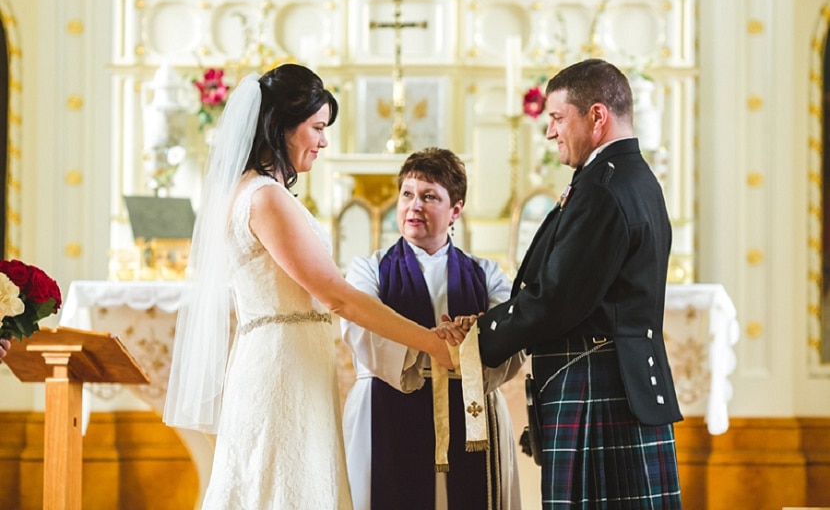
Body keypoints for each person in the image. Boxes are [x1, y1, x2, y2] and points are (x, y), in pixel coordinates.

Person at [163, 64, 461, 510]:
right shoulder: (264, 197)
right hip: (283, 368)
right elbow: (335, 294)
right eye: (317, 128)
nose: (323, 141)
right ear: (282, 126)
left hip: (290, 359)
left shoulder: (253, 191)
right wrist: (431, 344)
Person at [474, 59, 683, 508]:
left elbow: (555, 300)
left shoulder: (603, 188)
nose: (550, 133)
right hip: (616, 383)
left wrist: (480, 338)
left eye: (556, 118)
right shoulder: (636, 179)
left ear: (597, 115)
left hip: (596, 385)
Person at [340, 147, 525, 510]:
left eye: (430, 197)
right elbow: (360, 327)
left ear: (456, 210)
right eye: (407, 194)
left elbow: (515, 328)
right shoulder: (368, 270)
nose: (415, 206)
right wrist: (443, 343)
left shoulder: (486, 273)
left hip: (470, 413)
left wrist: (480, 333)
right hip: (386, 403)